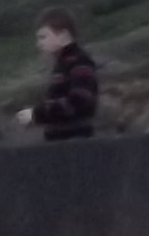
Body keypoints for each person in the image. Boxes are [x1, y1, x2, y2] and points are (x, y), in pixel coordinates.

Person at [14, 9, 103, 140]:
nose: (39, 44)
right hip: (67, 144)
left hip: (75, 144)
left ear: (63, 35)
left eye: (43, 37)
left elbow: (79, 102)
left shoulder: (79, 62)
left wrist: (36, 114)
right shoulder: (65, 64)